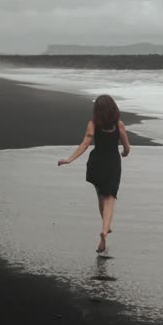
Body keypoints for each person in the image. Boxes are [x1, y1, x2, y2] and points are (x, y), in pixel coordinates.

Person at [58, 94, 131, 253]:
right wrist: (125, 153)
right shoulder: (119, 125)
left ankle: (106, 226)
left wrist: (70, 159)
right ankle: (104, 231)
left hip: (96, 163)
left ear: (97, 110)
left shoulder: (93, 125)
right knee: (110, 198)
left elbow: (86, 143)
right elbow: (126, 147)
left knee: (100, 195)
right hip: (112, 164)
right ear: (113, 108)